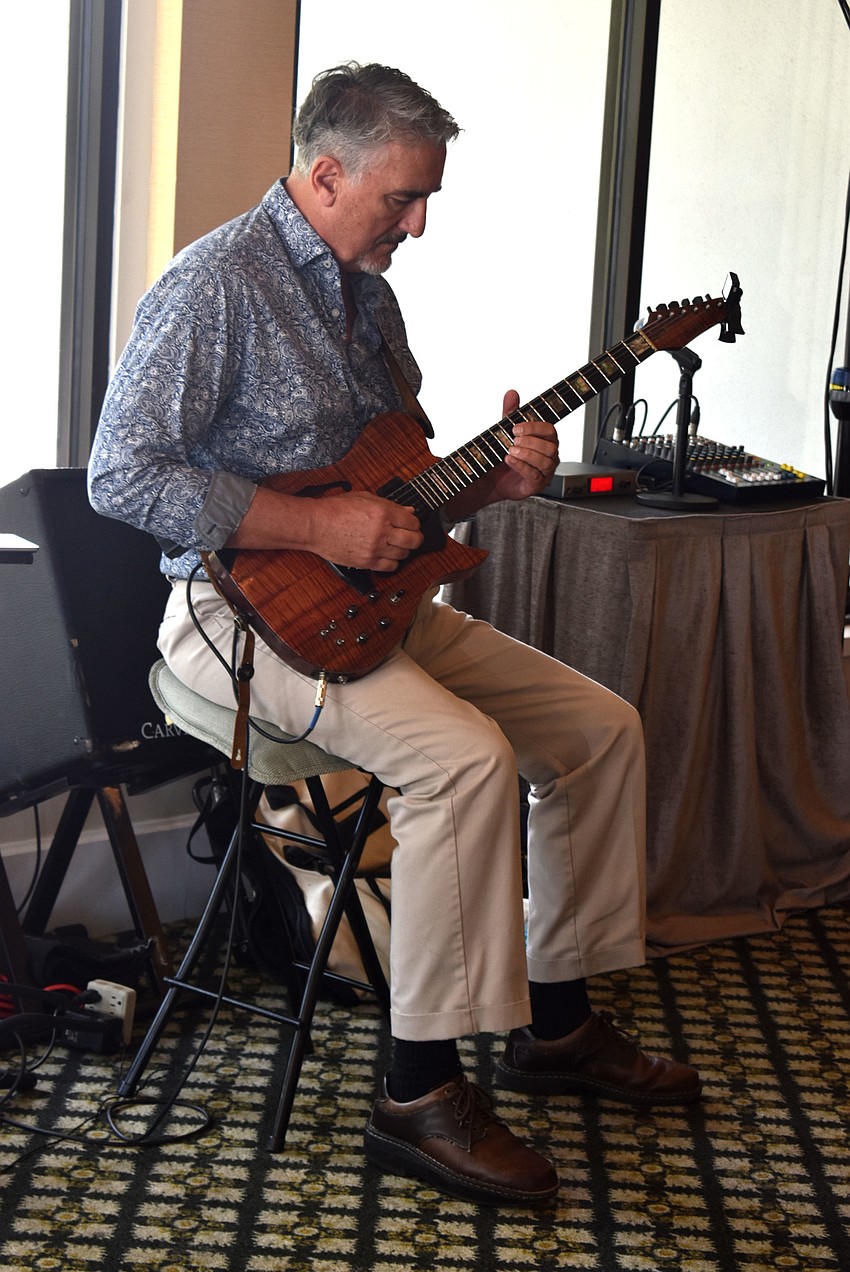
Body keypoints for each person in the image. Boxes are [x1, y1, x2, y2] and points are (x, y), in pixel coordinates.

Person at [88, 62, 701, 1208]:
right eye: (401, 199)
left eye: (425, 201)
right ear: (326, 175)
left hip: (372, 607)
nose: (416, 225)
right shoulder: (213, 284)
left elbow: (394, 496)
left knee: (599, 729)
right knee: (463, 760)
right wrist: (312, 524)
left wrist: (490, 486)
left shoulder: (368, 297)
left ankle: (556, 1020)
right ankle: (417, 1093)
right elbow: (120, 476)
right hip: (231, 621)